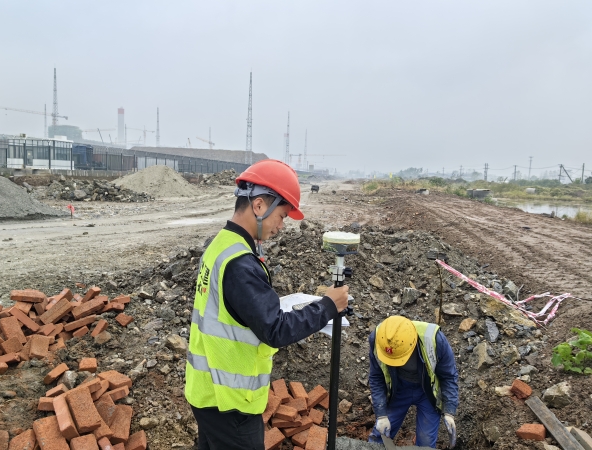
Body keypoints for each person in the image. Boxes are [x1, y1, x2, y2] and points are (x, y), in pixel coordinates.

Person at [185, 159, 349, 450]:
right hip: (230, 404)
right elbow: (275, 330)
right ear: (259, 206)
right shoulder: (240, 264)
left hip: (208, 391)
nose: (281, 226)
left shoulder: (221, 245)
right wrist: (327, 307)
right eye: (282, 216)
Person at [368, 316, 459, 448]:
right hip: (398, 389)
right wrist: (381, 414)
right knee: (379, 436)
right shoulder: (379, 340)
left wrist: (449, 411)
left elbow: (448, 376)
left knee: (426, 443)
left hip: (427, 393)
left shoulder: (435, 340)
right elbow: (376, 377)